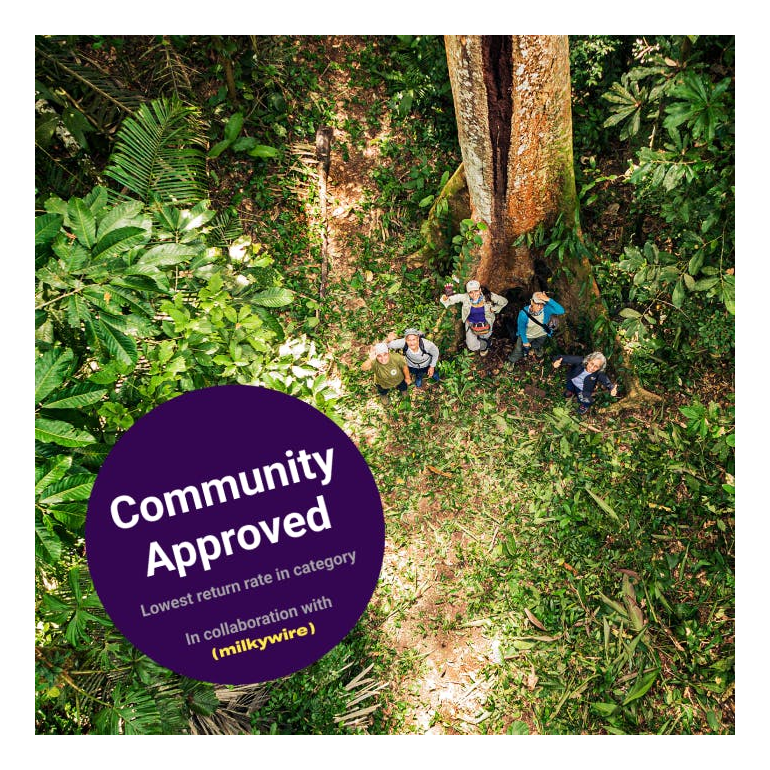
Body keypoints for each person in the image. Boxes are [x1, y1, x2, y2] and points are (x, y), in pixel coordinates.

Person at [440, 280, 508, 357]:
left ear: (480, 290)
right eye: (471, 292)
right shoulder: (465, 297)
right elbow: (454, 299)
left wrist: (494, 309)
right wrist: (448, 295)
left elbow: (504, 301)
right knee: (472, 346)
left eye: (476, 291)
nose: (474, 294)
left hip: (486, 324)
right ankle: (485, 345)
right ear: (468, 293)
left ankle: (484, 347)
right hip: (471, 324)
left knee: (485, 337)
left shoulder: (488, 296)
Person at [552, 351, 618, 415]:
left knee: (584, 399)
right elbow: (564, 358)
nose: (592, 368)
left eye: (596, 366)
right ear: (588, 360)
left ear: (599, 368)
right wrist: (556, 361)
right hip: (572, 380)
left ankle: (585, 405)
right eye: (592, 363)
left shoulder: (598, 373)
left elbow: (606, 381)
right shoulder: (580, 361)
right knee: (569, 387)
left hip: (584, 389)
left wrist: (612, 388)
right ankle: (571, 391)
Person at [508, 290, 565, 364]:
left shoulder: (546, 309)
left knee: (537, 345)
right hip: (527, 335)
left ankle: (535, 350)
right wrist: (525, 341)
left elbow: (561, 311)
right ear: (532, 302)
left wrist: (547, 299)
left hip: (542, 334)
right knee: (519, 349)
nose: (540, 307)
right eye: (537, 303)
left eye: (542, 304)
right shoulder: (524, 314)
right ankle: (512, 360)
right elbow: (521, 329)